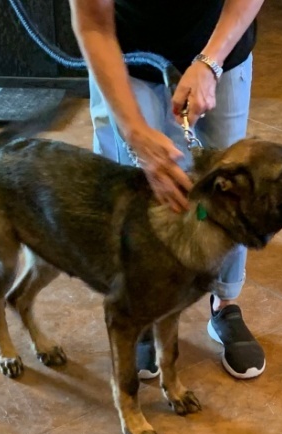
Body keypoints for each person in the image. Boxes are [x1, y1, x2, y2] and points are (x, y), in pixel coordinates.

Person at [69, 0, 266, 380]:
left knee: (231, 184)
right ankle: (141, 306)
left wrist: (210, 62)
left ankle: (225, 303)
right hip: (124, 48)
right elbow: (93, 23)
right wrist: (133, 131)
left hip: (219, 36)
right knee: (136, 183)